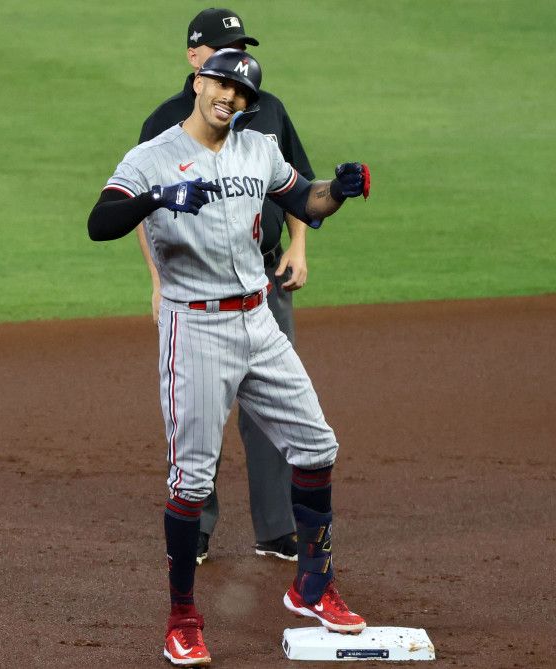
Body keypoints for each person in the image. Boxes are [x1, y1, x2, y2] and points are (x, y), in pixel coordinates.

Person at [88, 49, 371, 666]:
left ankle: (313, 586)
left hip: (258, 320)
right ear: (198, 81)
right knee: (191, 482)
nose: (230, 97)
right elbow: (100, 221)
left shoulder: (258, 148)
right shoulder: (151, 157)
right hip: (193, 330)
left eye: (242, 91)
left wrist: (340, 191)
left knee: (317, 447)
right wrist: (158, 198)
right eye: (221, 83)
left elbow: (307, 202)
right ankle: (182, 618)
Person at [137, 7, 317, 566]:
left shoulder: (268, 111)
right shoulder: (165, 125)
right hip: (194, 291)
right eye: (221, 49)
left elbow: (298, 185)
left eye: (241, 46)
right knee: (201, 411)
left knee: (273, 408)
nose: (235, 58)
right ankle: (202, 527)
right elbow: (142, 210)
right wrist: (156, 281)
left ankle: (277, 527)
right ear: (195, 60)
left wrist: (297, 247)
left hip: (263, 280)